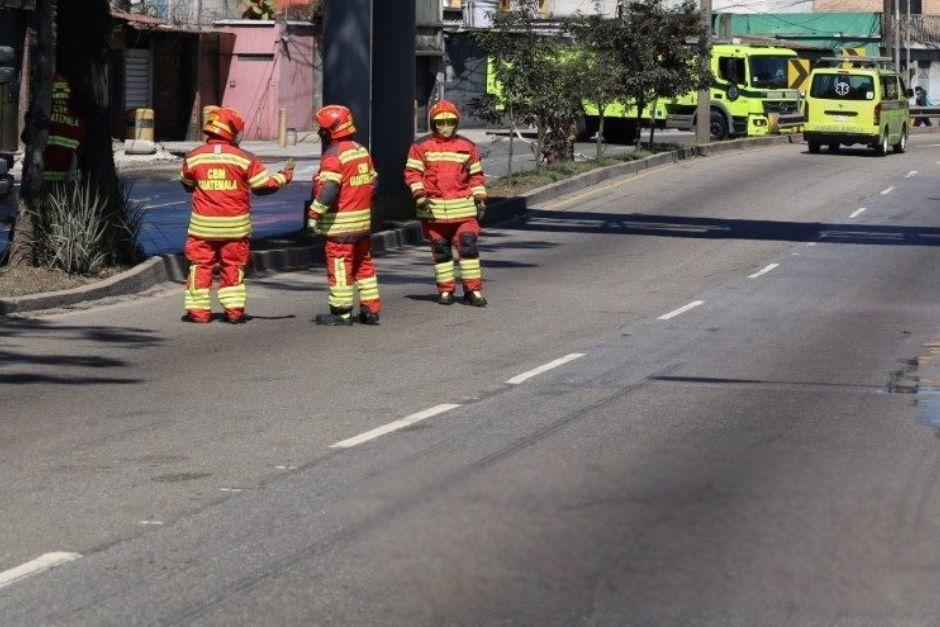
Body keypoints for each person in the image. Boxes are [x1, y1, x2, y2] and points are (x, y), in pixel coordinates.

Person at [179, 106, 294, 323]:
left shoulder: (193, 157)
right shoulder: (245, 158)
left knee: (199, 267)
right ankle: (233, 312)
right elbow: (262, 187)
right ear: (232, 132)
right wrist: (284, 176)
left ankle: (198, 312)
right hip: (235, 229)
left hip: (202, 229)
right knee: (233, 267)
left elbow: (187, 185)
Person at [404, 99, 488, 307]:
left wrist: (480, 198)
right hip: (434, 212)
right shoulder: (420, 147)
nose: (445, 127)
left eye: (450, 122)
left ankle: (473, 290)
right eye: (440, 123)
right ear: (433, 123)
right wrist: (419, 194)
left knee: (468, 249)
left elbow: (476, 176)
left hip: (463, 210)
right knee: (441, 252)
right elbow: (412, 173)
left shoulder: (467, 146)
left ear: (457, 122)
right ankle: (445, 291)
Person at [306, 104, 382, 326]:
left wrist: (314, 214)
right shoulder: (360, 150)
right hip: (362, 226)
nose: (319, 133)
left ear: (331, 130)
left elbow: (329, 190)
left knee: (340, 267)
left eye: (321, 129)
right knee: (364, 267)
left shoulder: (333, 155)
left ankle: (341, 312)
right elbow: (373, 182)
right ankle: (370, 310)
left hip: (340, 228)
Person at [43, 73, 84, 184]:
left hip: (45, 178)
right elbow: (81, 148)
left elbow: (26, 138)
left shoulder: (42, 116)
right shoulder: (77, 120)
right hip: (70, 181)